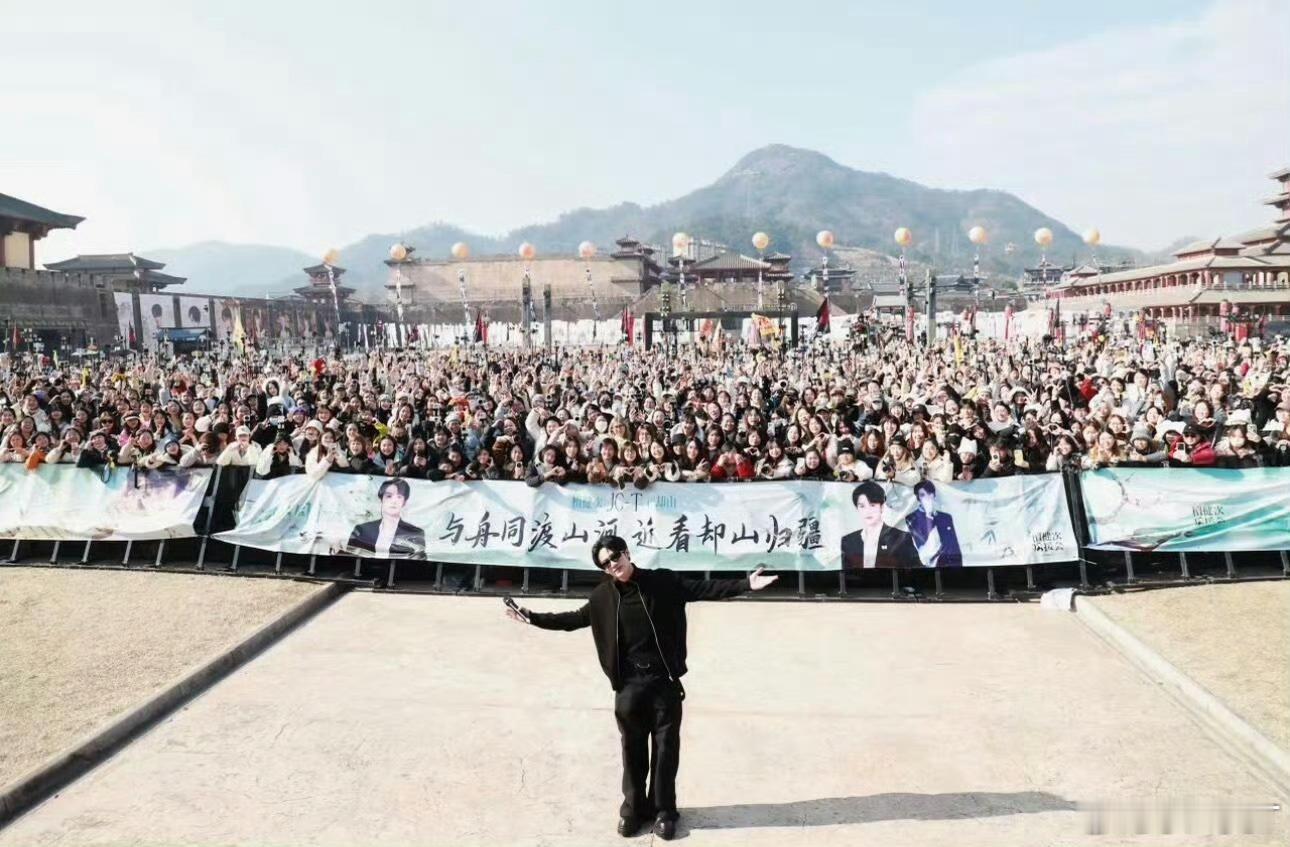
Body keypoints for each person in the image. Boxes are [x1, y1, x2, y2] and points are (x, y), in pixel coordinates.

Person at [505, 534, 778, 840]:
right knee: (632, 750)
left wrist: (745, 584)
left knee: (665, 750)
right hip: (629, 686)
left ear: (626, 552)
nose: (612, 565)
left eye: (615, 557)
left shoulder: (662, 582)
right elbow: (573, 619)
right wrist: (533, 618)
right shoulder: (603, 597)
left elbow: (703, 589)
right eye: (605, 564)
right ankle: (633, 810)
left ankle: (664, 811)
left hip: (663, 683)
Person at [839, 480, 918, 569]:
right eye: (862, 506)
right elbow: (845, 574)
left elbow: (916, 569)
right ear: (857, 508)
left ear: (882, 507)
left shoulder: (901, 538)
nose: (867, 511)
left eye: (872, 505)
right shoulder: (848, 541)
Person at [346, 477, 426, 559]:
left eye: (399, 497)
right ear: (381, 499)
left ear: (404, 502)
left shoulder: (415, 534)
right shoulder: (361, 530)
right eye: (389, 496)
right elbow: (348, 557)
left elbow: (417, 561)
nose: (394, 501)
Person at [904, 480, 963, 567]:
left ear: (934, 495)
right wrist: (928, 516)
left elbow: (954, 546)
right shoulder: (911, 518)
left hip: (948, 564)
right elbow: (926, 547)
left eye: (930, 493)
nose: (928, 497)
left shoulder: (945, 517)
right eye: (923, 495)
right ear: (918, 498)